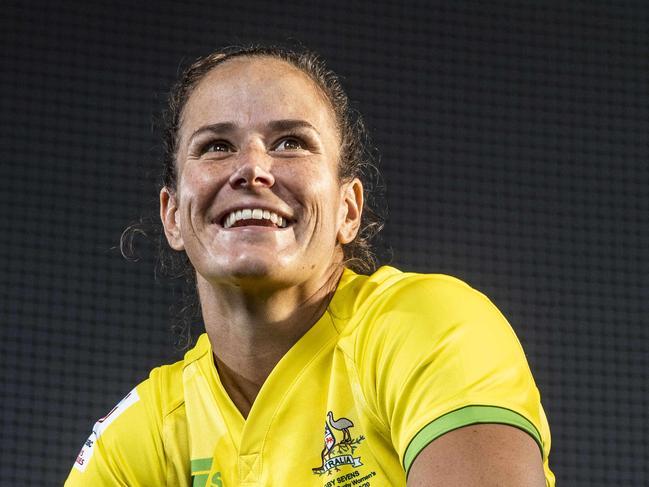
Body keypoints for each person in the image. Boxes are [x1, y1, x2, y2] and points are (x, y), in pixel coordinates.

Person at [65, 45, 554, 486]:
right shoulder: (148, 430)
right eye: (216, 146)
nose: (252, 168)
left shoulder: (430, 325)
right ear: (172, 216)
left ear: (348, 210)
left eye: (290, 143)